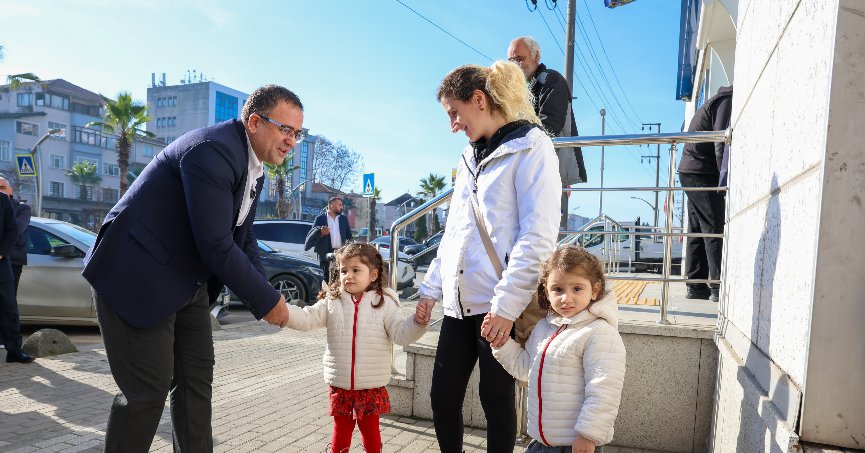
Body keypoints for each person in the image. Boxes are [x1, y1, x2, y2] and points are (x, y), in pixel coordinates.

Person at [82, 84, 300, 452]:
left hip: (186, 283)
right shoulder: (213, 150)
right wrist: (267, 303)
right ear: (254, 122)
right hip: (138, 275)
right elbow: (216, 243)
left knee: (196, 382)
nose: (292, 141)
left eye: (297, 133)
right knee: (145, 392)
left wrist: (268, 295)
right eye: (285, 129)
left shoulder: (254, 168)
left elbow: (243, 239)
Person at [417, 60, 561, 452]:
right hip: (458, 304)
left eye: (454, 113)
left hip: (499, 304)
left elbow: (538, 235)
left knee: (495, 401)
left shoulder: (533, 146)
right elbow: (456, 232)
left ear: (478, 99)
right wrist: (431, 289)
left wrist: (507, 306)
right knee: (442, 397)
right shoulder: (469, 157)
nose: (453, 125)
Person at [284, 242, 429, 453]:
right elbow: (307, 318)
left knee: (370, 432)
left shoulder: (385, 301)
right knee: (340, 431)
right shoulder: (332, 300)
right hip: (340, 384)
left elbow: (400, 334)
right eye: (343, 271)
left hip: (371, 385)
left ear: (373, 274)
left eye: (355, 270)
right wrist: (283, 312)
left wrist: (417, 323)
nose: (347, 276)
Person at [490, 246, 626, 453]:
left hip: (575, 445)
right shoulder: (545, 327)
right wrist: (501, 344)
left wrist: (587, 436)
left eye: (577, 288)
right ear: (546, 290)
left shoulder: (599, 333)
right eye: (558, 289)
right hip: (541, 442)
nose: (566, 298)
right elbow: (526, 370)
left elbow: (604, 391)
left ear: (595, 290)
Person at [508, 36, 588, 229]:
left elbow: (550, 124)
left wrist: (513, 139)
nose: (516, 65)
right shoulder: (514, 89)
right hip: (524, 167)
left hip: (547, 166)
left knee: (539, 227)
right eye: (511, 61)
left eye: (520, 59)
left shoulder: (552, 80)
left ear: (536, 56)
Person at [677, 85, 732, 302]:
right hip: (702, 172)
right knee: (713, 226)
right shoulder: (726, 101)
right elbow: (721, 142)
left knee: (698, 228)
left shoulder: (714, 101)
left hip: (691, 170)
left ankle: (696, 286)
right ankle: (717, 287)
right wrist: (724, 178)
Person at [0, 192, 29, 364]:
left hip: (2, 266)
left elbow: (12, 230)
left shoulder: (3, 200)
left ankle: (14, 351)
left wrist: (2, 253)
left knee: (9, 310)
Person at [307, 196, 352, 281]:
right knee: (326, 279)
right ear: (332, 205)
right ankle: (326, 294)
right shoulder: (320, 219)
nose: (342, 207)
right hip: (325, 255)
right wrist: (321, 233)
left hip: (340, 253)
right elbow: (312, 236)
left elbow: (349, 236)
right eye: (340, 205)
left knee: (339, 279)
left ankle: (337, 294)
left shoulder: (343, 219)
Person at [0, 177, 31, 294]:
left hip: (12, 261)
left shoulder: (22, 208)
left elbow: (16, 230)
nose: (0, 191)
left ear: (10, 190)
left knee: (8, 301)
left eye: (3, 188)